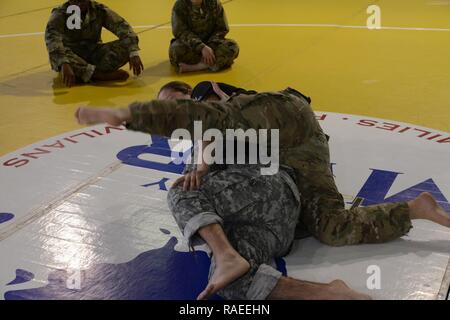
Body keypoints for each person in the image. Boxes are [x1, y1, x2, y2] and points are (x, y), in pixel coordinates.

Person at [74, 88, 450, 299]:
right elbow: (205, 142)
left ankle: (229, 254)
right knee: (235, 281)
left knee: (185, 191)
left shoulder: (235, 103)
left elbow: (210, 123)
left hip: (292, 139)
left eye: (176, 101)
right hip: (269, 176)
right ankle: (411, 212)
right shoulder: (205, 134)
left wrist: (125, 114)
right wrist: (203, 162)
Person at [45, 0, 144, 87]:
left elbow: (121, 26)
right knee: (58, 53)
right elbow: (52, 40)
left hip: (94, 53)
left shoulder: (98, 10)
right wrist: (64, 62)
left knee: (126, 46)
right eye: (75, 1)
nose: (79, 5)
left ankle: (86, 73)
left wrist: (133, 52)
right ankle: (99, 75)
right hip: (72, 56)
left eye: (82, 1)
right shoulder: (60, 14)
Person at [170, 0, 239, 73]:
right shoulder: (180, 5)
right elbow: (180, 32)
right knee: (175, 50)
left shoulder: (214, 3)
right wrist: (201, 47)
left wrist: (210, 46)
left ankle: (199, 66)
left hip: (211, 44)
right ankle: (213, 63)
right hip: (191, 46)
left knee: (232, 47)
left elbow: (222, 29)